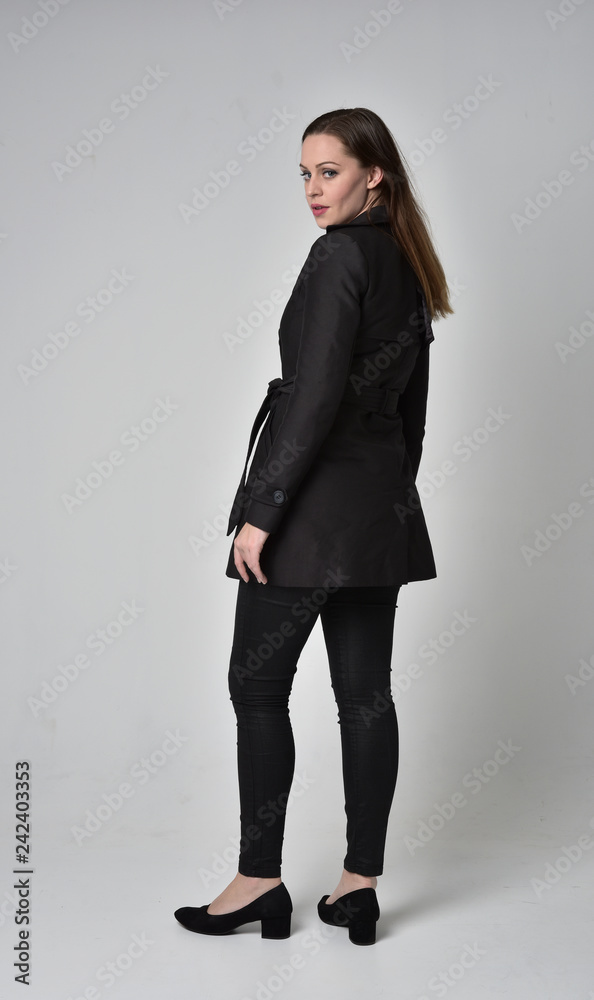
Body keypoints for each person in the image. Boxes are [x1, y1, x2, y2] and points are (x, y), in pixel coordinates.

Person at [174, 107, 453, 945]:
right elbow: (413, 416)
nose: (311, 189)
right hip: (376, 516)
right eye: (303, 173)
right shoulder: (408, 264)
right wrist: (388, 503)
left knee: (256, 690)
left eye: (327, 171)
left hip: (308, 514)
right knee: (364, 698)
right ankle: (357, 887)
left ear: (375, 174)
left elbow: (315, 395)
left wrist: (263, 515)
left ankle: (259, 881)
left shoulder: (338, 256)